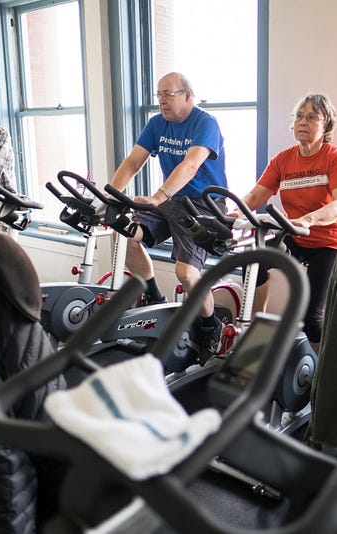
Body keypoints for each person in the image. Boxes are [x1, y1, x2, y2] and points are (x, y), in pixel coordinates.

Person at [109, 72, 229, 361]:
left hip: (204, 205)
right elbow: (133, 161)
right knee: (125, 234)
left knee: (186, 272)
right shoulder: (156, 124)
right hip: (170, 199)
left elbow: (190, 166)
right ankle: (153, 294)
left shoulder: (205, 123)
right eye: (159, 95)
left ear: (187, 95)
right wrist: (112, 195)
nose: (162, 100)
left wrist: (157, 197)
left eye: (168, 94)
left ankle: (210, 325)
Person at [238, 92, 337, 350]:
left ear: (326, 125)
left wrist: (309, 219)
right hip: (296, 235)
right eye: (299, 116)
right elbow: (256, 195)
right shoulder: (283, 159)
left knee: (312, 320)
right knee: (252, 260)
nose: (303, 121)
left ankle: (320, 376)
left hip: (328, 243)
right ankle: (259, 333)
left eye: (312, 117)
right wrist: (237, 211)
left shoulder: (335, 158)